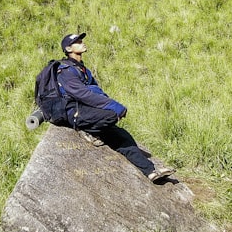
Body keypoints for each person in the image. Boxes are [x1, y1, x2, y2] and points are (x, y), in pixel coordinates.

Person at [55, 32, 174, 184]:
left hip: (88, 111)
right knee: (110, 115)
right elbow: (82, 94)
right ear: (68, 49)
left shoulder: (82, 69)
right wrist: (113, 105)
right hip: (74, 112)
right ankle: (88, 130)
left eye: (81, 40)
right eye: (77, 41)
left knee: (123, 136)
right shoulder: (65, 70)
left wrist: (107, 101)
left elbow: (96, 91)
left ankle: (150, 172)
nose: (82, 42)